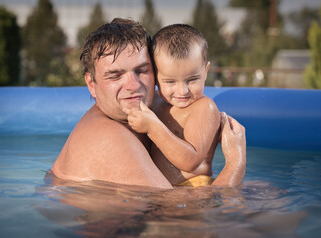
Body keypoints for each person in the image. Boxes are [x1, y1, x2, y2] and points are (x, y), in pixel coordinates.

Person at [51, 18, 246, 189]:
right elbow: (177, 213)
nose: (133, 85)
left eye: (141, 70)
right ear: (91, 84)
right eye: (115, 75)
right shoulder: (109, 138)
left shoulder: (145, 113)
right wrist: (235, 164)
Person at [123, 24, 219, 187]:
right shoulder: (157, 102)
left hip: (193, 188)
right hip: (164, 189)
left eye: (192, 79)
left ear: (206, 71)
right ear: (154, 76)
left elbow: (190, 161)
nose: (182, 91)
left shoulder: (204, 108)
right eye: (170, 81)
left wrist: (153, 127)